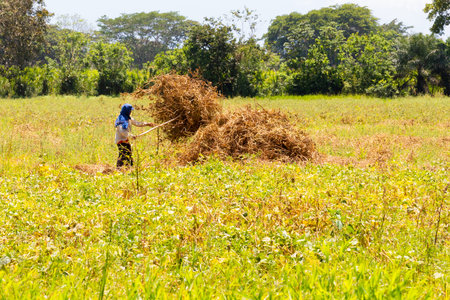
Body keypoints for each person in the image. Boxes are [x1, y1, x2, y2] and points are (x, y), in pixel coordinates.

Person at [115, 104, 155, 168]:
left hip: (125, 140)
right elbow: (122, 132)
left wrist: (147, 124)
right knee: (123, 154)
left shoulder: (129, 118)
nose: (131, 112)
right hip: (120, 140)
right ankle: (120, 168)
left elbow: (137, 123)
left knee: (128, 153)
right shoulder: (121, 120)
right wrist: (131, 136)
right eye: (130, 110)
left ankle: (128, 167)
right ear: (126, 111)